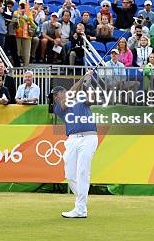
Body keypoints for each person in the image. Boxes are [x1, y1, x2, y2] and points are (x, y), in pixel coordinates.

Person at [52, 69, 97, 218]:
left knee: (83, 172)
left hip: (89, 138)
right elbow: (67, 99)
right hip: (72, 139)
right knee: (70, 174)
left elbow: (92, 100)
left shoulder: (80, 98)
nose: (54, 98)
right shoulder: (58, 107)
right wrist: (82, 78)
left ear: (61, 93)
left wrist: (88, 83)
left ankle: (81, 209)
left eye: (55, 95)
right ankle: (82, 200)